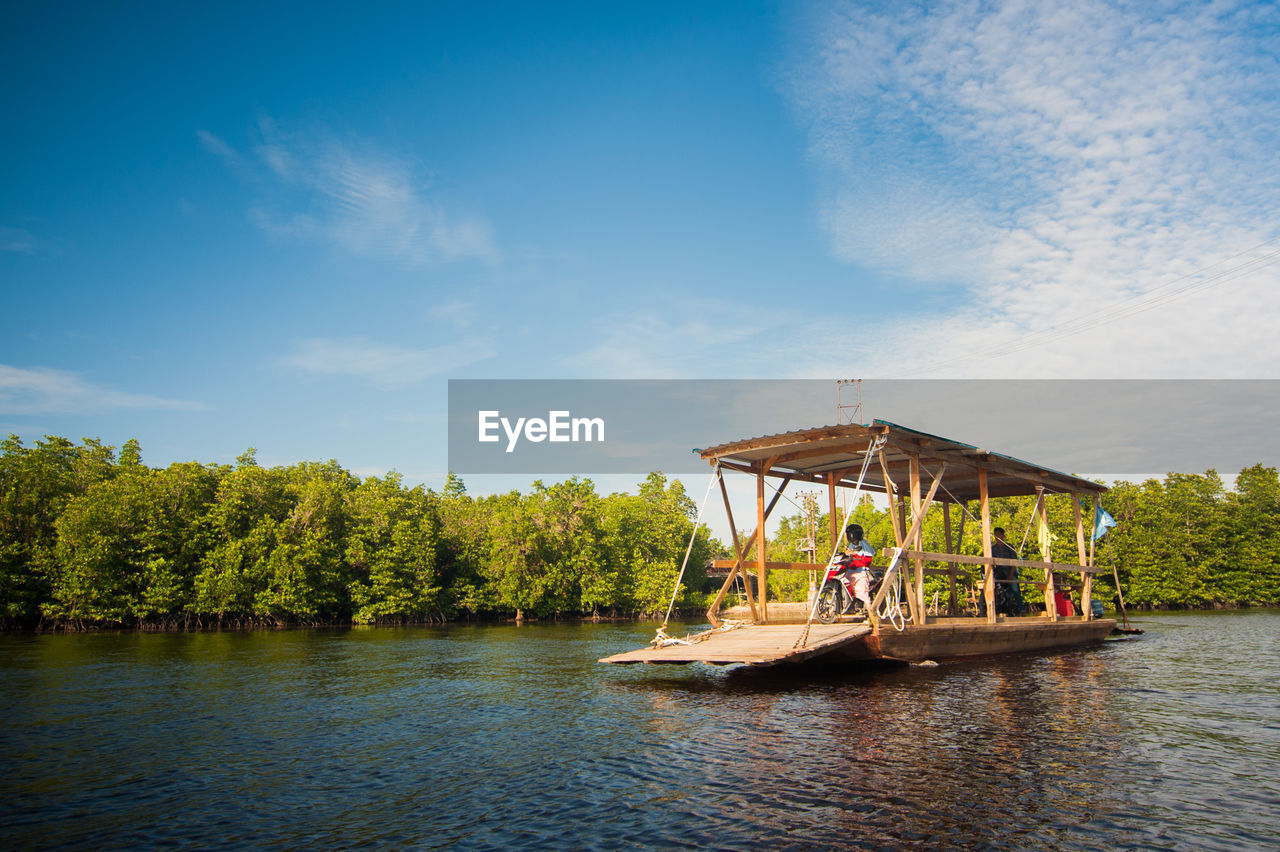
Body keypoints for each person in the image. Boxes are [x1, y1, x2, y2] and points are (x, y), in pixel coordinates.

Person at [840, 523, 876, 614]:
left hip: (861, 571)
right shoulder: (851, 545)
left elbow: (867, 559)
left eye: (853, 534)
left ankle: (871, 612)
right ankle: (846, 605)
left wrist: (854, 555)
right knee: (842, 581)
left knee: (862, 591)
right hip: (851, 571)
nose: (851, 537)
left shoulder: (864, 544)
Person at [992, 527, 1025, 616]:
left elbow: (1014, 562)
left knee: (1015, 589)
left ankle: (1021, 609)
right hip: (999, 572)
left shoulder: (1009, 547)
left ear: (1003, 536)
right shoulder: (993, 548)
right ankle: (994, 609)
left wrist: (1011, 574)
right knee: (992, 586)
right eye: (996, 534)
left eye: (999, 534)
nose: (997, 536)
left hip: (1010, 570)